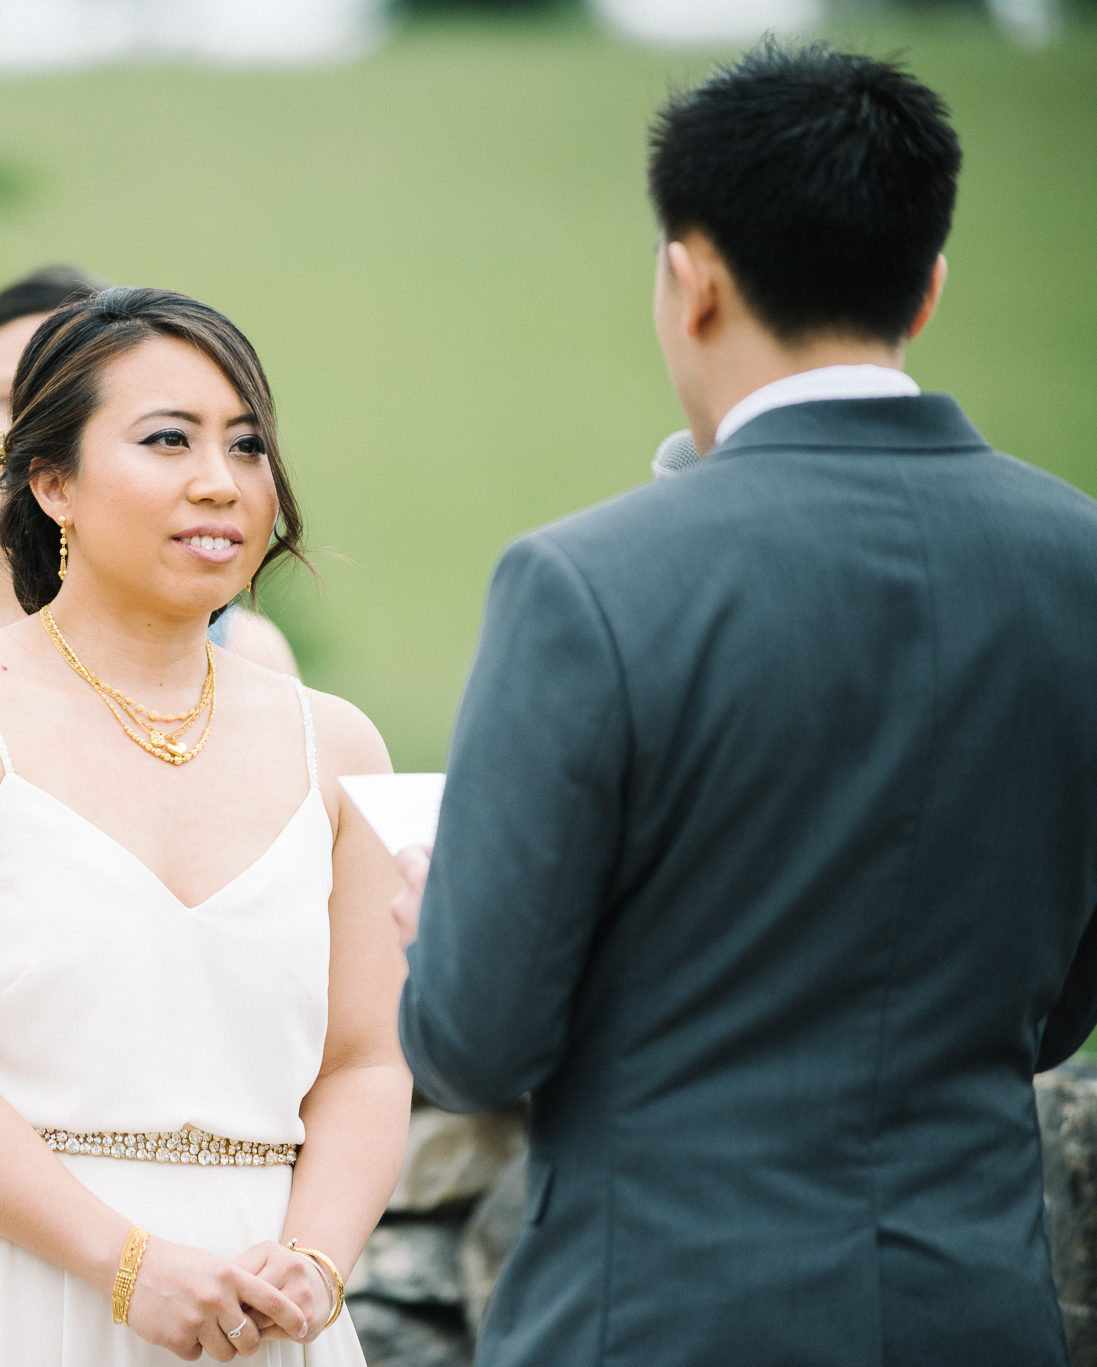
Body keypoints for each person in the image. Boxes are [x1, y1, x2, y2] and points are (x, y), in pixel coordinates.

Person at [396, 42, 1097, 1366]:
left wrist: (437, 930)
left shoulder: (586, 581)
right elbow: (1059, 1006)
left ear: (692, 274)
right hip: (979, 1315)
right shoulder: (1081, 564)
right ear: (928, 284)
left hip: (658, 1318)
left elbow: (479, 1043)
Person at [0, 286, 409, 1365]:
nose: (218, 482)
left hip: (259, 1308)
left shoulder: (337, 746)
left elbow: (365, 1060)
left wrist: (316, 1261)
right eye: (165, 439)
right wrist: (126, 1264)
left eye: (246, 444)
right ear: (51, 480)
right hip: (15, 1286)